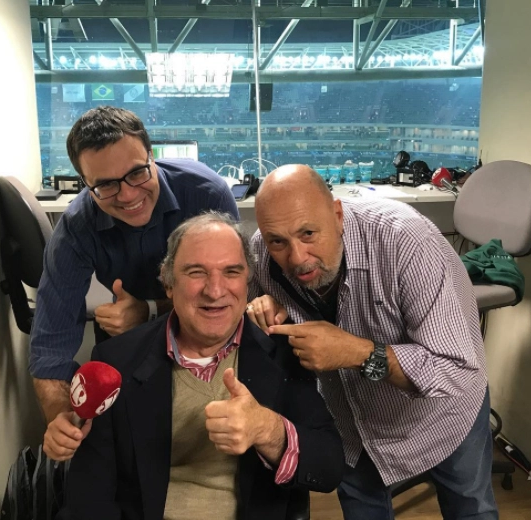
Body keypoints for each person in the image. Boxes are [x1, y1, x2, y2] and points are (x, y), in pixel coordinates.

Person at [247, 165, 498, 520]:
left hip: (444, 415)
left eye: (308, 233)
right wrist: (264, 309)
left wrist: (354, 352)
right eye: (278, 241)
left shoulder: (408, 242)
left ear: (337, 215)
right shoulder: (262, 253)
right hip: (352, 422)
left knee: (470, 509)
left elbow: (453, 369)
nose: (298, 258)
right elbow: (261, 327)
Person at [57, 212, 344, 520]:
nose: (215, 290)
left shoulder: (283, 355)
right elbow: (89, 497)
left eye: (231, 272)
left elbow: (328, 468)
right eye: (196, 272)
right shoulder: (115, 361)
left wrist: (266, 428)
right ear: (168, 283)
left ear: (248, 280)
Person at [32, 106, 239, 461]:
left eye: (137, 173)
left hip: (209, 333)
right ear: (85, 184)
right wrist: (61, 419)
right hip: (125, 343)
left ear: (152, 158)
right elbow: (50, 346)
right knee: (125, 453)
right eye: (106, 184)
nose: (127, 195)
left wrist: (148, 311)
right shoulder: (76, 226)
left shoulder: (206, 195)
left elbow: (231, 296)